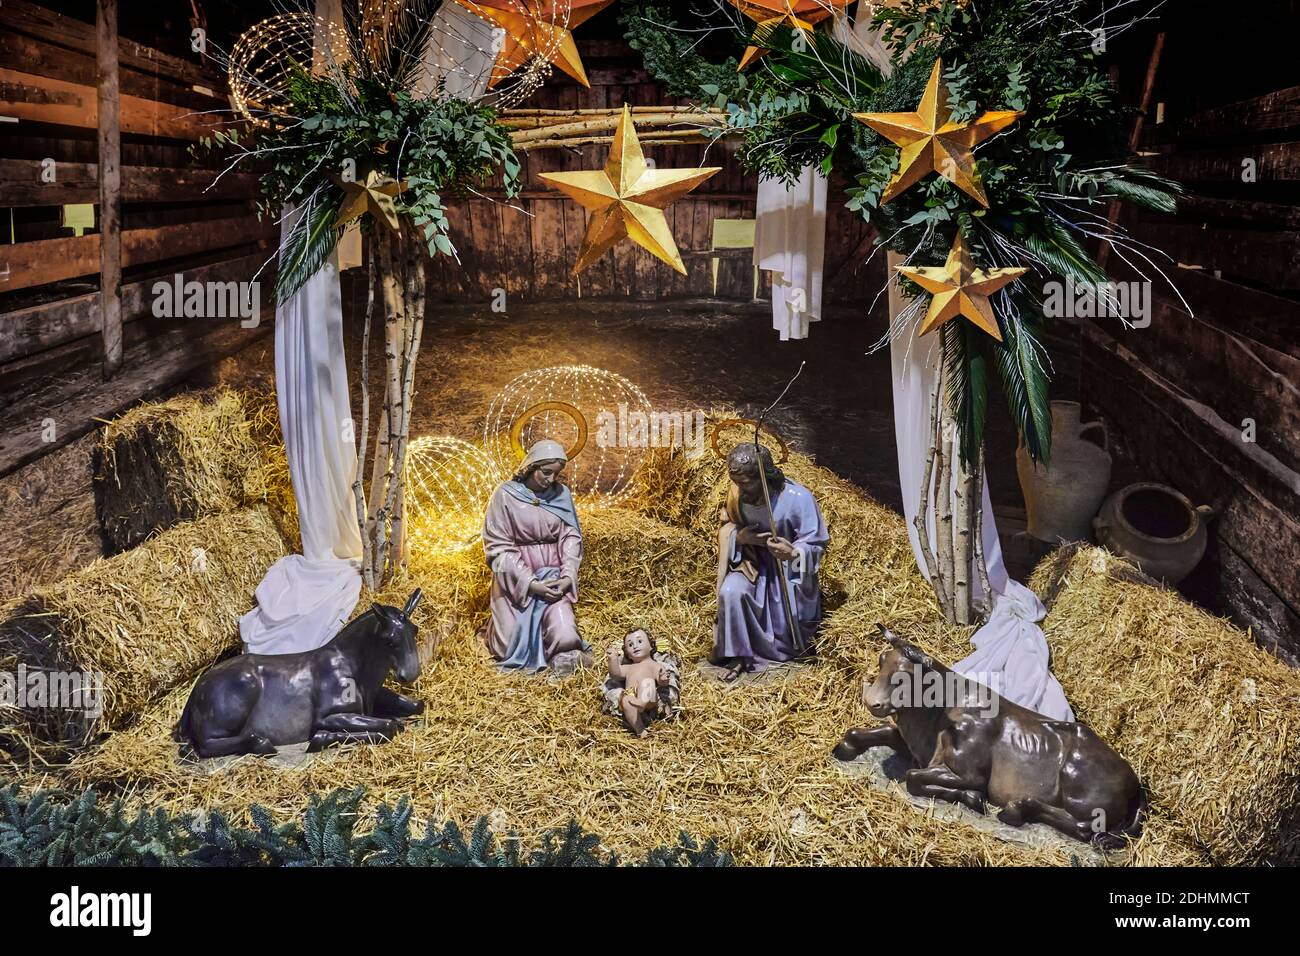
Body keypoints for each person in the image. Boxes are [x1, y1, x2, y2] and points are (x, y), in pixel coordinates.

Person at [712, 442, 829, 681]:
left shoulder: (798, 498)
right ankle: (739, 655)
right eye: (736, 482)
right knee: (731, 591)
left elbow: (816, 542)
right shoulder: (737, 495)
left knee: (788, 617)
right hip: (753, 565)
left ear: (765, 475)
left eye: (746, 482)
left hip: (788, 572)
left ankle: (783, 649)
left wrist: (794, 552)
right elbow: (729, 527)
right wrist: (741, 537)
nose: (740, 489)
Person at [482, 439, 586, 672]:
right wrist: (531, 584)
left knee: (566, 636)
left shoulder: (561, 495)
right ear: (531, 466)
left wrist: (568, 575)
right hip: (515, 585)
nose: (550, 480)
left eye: (555, 474)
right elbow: (497, 548)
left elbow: (571, 537)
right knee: (507, 647)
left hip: (554, 577)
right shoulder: (505, 495)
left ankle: (563, 661)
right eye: (546, 472)